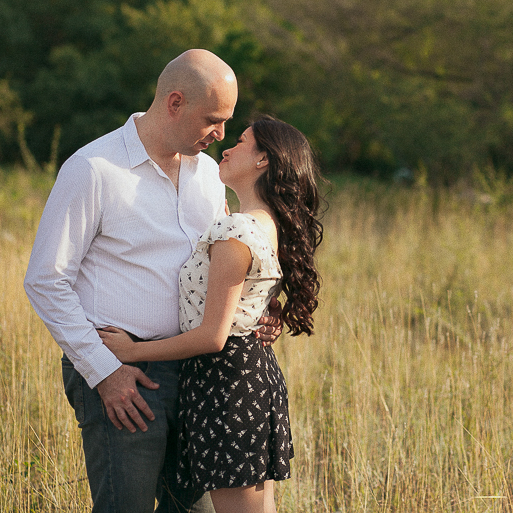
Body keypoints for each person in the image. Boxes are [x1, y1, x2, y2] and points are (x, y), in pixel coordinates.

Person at [23, 49, 281, 513]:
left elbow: (226, 262)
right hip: (125, 373)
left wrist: (259, 310)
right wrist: (104, 371)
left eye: (227, 121)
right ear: (175, 103)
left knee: (198, 514)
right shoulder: (94, 169)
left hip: (199, 372)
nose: (222, 134)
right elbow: (46, 280)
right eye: (213, 120)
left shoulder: (209, 175)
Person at [98, 116, 324, 512]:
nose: (228, 147)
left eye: (241, 142)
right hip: (246, 376)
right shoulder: (264, 224)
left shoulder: (236, 231)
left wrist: (131, 352)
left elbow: (213, 336)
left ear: (263, 161)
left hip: (227, 383)